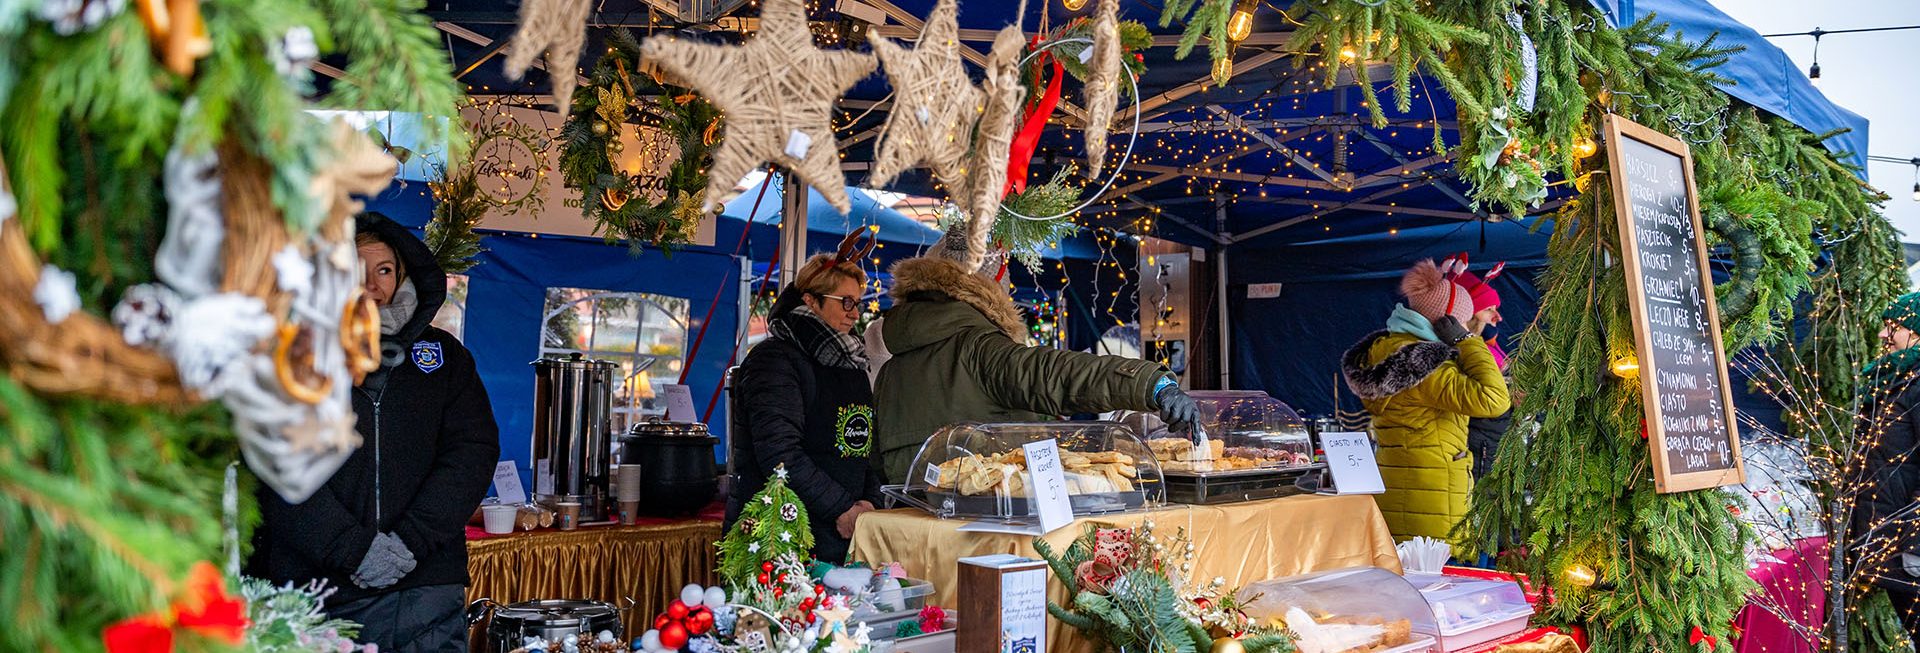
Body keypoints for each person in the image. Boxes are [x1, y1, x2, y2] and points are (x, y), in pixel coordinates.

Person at [247, 212, 499, 652]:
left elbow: (472, 453)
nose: (372, 285)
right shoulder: (295, 359)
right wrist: (351, 549)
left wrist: (410, 542)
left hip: (424, 591)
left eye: (384, 270)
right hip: (320, 592)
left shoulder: (445, 358)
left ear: (402, 276)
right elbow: (276, 464)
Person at [871, 254, 1199, 483]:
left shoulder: (891, 369)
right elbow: (1052, 373)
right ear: (987, 297)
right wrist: (1152, 385)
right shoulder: (978, 347)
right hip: (984, 519)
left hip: (913, 522)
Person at [1341, 258, 1510, 545]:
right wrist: (1467, 341)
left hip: (1403, 487)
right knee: (1437, 572)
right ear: (1447, 323)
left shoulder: (1388, 349)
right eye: (1462, 322)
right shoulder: (1425, 364)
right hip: (1432, 497)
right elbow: (1494, 399)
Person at [729, 254, 884, 563]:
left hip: (842, 535)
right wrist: (841, 508)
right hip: (781, 537)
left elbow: (863, 449)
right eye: (846, 302)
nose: (855, 314)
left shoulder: (852, 361)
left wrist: (870, 501)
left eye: (857, 303)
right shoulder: (774, 360)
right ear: (811, 301)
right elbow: (779, 453)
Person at [1850, 292, 1920, 630]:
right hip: (1891, 547)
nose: (1882, 335)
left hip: (1910, 554)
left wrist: (1914, 549)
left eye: (1893, 327)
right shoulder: (1897, 380)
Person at [1451, 269, 1513, 479]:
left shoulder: (1489, 346)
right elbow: (1483, 396)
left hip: (1496, 443)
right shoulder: (1460, 352)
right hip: (1479, 449)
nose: (1497, 317)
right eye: (1488, 309)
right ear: (1467, 312)